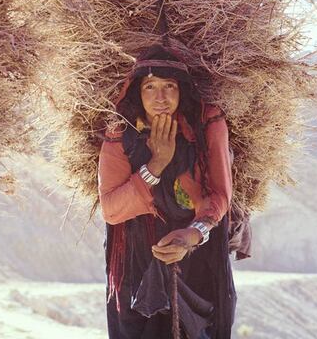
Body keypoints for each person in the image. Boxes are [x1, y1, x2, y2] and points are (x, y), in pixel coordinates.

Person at [98, 44, 249, 338]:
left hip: (199, 256)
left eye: (169, 86)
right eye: (150, 87)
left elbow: (219, 194)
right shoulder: (120, 133)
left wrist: (193, 234)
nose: (161, 98)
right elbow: (111, 209)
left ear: (182, 91)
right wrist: (156, 164)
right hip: (137, 256)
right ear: (137, 93)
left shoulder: (207, 125)